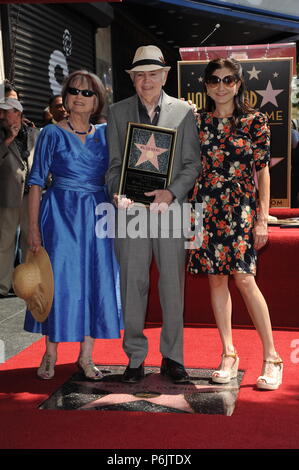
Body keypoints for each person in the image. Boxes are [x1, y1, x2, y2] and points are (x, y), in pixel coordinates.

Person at [106, 45, 201, 384]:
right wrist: (117, 191)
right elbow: (114, 165)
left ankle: (173, 358)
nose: (146, 80)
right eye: (139, 75)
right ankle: (134, 359)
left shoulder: (184, 113)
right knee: (133, 285)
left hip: (171, 209)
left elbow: (192, 165)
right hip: (130, 213)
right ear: (132, 79)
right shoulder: (117, 113)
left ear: (165, 75)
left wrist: (172, 191)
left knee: (172, 287)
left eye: (152, 73)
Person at [188, 57, 282, 390]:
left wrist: (261, 217)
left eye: (229, 80)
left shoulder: (255, 121)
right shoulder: (196, 121)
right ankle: (229, 353)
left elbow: (263, 171)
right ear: (206, 85)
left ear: (239, 84)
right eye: (214, 80)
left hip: (241, 207)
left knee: (244, 278)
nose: (222, 86)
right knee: (216, 279)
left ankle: (272, 358)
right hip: (205, 205)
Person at [24, 70, 122, 380]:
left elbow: (122, 171)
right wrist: (34, 229)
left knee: (96, 279)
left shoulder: (108, 133)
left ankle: (87, 356)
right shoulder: (51, 133)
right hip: (60, 214)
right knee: (59, 282)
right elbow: (37, 181)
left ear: (97, 100)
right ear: (66, 97)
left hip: (98, 212)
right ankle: (50, 353)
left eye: (87, 92)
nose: (79, 96)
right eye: (74, 91)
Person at [0, 97, 39, 298]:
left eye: (7, 111)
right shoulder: (1, 134)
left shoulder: (35, 133)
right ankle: (2, 286)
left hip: (31, 195)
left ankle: (27, 284)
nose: (3, 115)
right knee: (5, 241)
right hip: (8, 195)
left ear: (18, 113)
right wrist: (7, 140)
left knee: (29, 240)